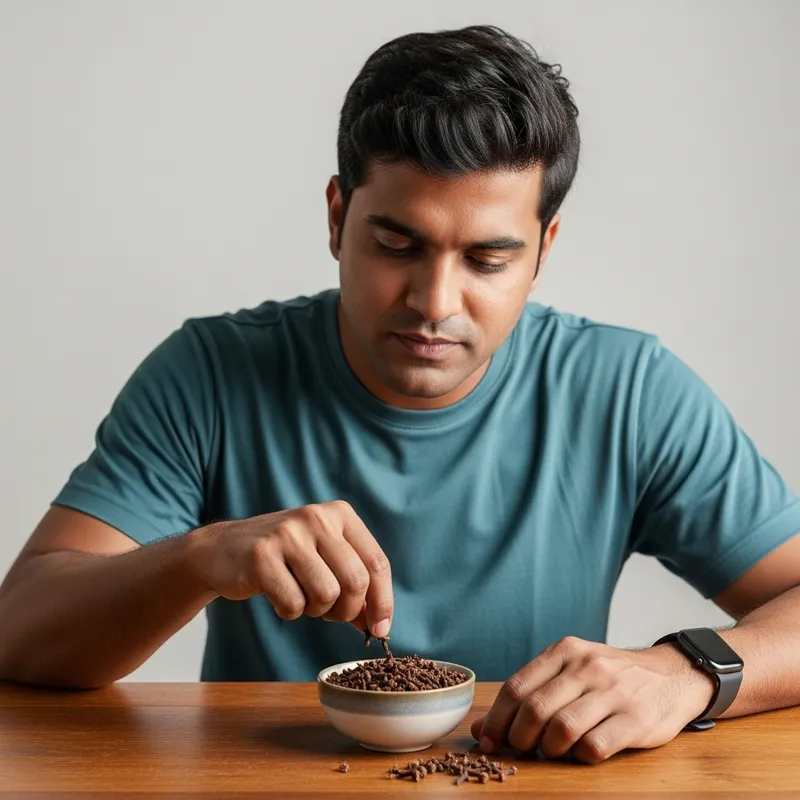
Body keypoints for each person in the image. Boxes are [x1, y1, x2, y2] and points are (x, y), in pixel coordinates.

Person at [1, 24, 798, 764]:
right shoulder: (210, 372)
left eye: (487, 259)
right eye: (396, 245)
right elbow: (19, 629)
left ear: (543, 251)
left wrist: (690, 670)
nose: (434, 302)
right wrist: (203, 557)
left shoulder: (629, 391)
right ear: (338, 216)